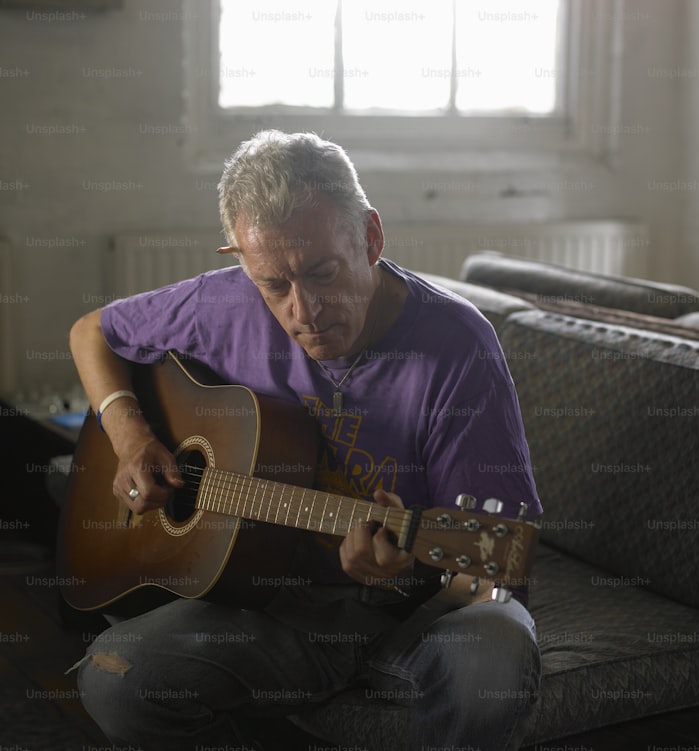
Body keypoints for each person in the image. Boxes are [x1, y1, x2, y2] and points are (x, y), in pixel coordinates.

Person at [67, 129, 543, 750]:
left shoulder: (457, 346)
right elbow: (92, 331)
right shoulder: (222, 304)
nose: (304, 311)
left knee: (493, 655)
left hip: (418, 615)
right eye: (274, 285)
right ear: (240, 261)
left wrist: (397, 571)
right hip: (268, 606)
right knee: (115, 679)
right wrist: (129, 434)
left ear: (370, 238)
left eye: (323, 273)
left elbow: (493, 562)